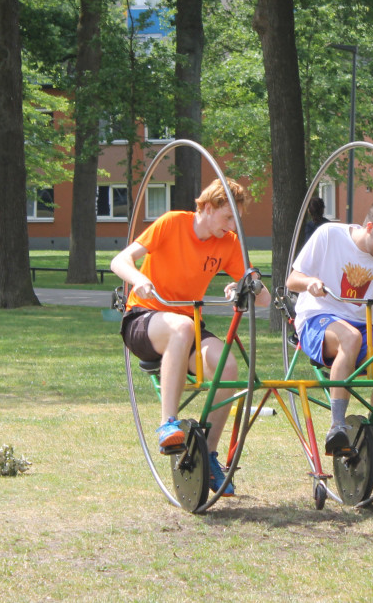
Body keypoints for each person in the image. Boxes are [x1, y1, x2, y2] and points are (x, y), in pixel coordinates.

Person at [110, 177, 270, 497]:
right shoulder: (171, 224)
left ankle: (208, 454)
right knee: (181, 328)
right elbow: (119, 260)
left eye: (235, 220)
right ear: (208, 208)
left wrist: (243, 287)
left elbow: (263, 299)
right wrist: (139, 279)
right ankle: (168, 424)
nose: (230, 226)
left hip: (187, 323)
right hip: (145, 321)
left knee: (227, 367)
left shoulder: (227, 242)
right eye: (227, 217)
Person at [287, 197, 373, 474]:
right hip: (318, 318)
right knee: (350, 338)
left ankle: (371, 437)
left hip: (363, 324)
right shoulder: (329, 235)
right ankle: (337, 426)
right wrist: (311, 283)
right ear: (370, 227)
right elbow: (292, 280)